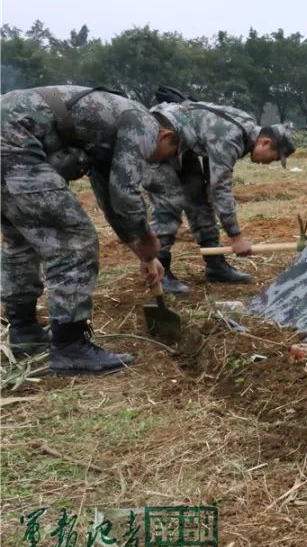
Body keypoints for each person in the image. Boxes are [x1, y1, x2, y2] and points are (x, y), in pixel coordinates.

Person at [1, 86, 179, 375]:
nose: (155, 162)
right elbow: (124, 192)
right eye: (165, 156)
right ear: (167, 137)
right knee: (74, 240)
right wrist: (147, 237)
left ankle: (24, 333)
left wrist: (140, 250)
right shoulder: (145, 124)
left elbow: (107, 192)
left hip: (11, 140)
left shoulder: (110, 127)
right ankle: (70, 347)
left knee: (21, 240)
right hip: (14, 144)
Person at [145, 96, 296, 294]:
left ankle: (215, 266)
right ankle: (160, 270)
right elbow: (221, 189)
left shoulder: (245, 126)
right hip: (158, 138)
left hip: (185, 146)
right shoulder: (232, 137)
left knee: (200, 201)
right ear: (265, 143)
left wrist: (209, 180)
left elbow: (210, 146)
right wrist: (236, 237)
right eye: (275, 158)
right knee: (170, 205)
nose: (270, 163)